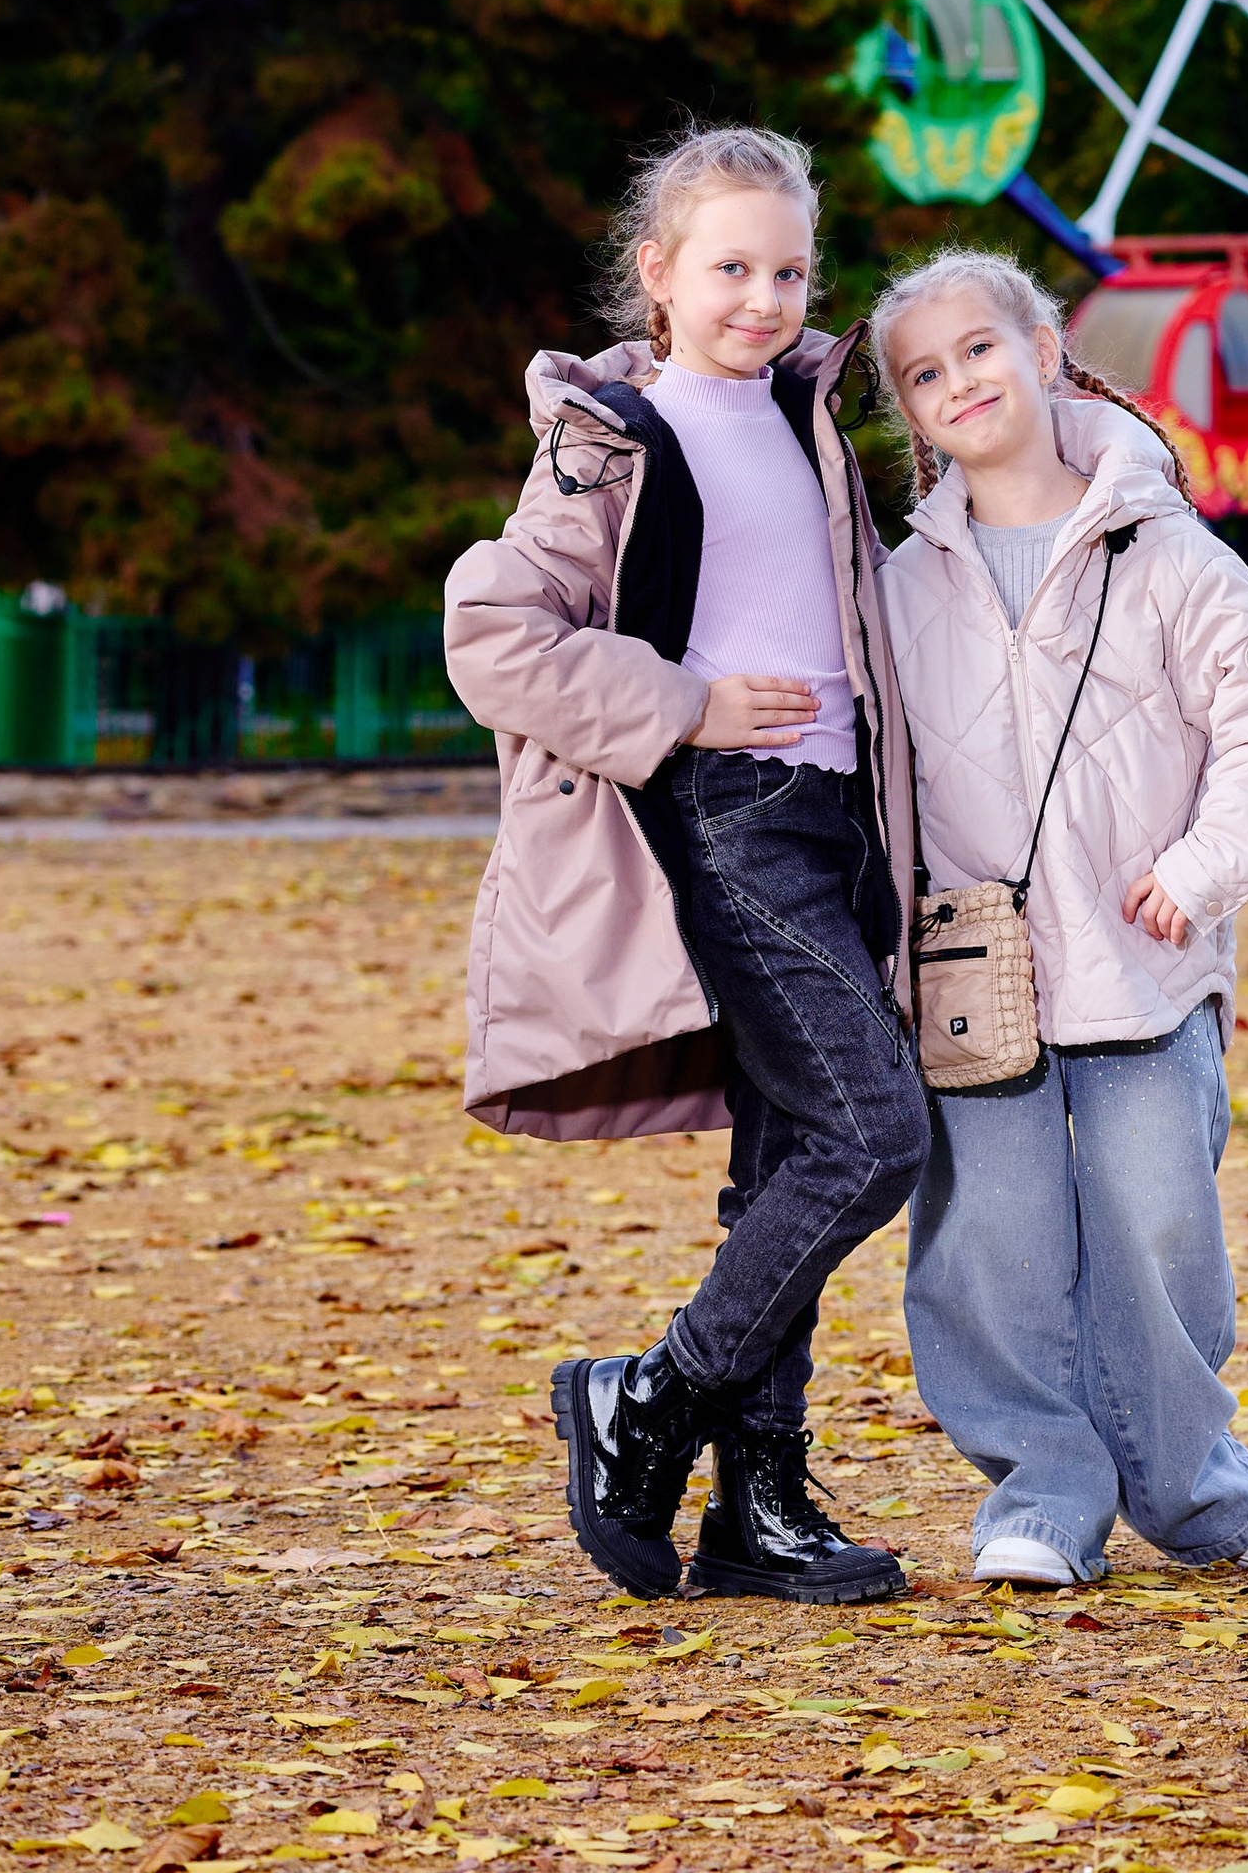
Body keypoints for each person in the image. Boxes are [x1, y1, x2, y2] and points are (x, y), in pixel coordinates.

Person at [443, 121, 927, 1606]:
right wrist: (682, 705)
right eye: (729, 267)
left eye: (789, 269)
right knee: (873, 1132)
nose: (764, 298)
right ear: (656, 273)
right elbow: (491, 632)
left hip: (845, 821)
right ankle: (647, 1397)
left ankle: (757, 1510)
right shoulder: (612, 440)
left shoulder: (809, 415)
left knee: (789, 1155)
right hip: (726, 814)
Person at [869, 243, 1248, 1588]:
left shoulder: (1169, 552)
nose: (960, 381)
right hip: (973, 973)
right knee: (991, 1243)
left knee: (1158, 1225)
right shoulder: (899, 587)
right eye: (924, 372)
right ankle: (1040, 1499)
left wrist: (1198, 871)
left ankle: (1197, 1491)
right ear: (906, 410)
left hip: (1143, 957)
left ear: (1044, 346)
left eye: (979, 349)